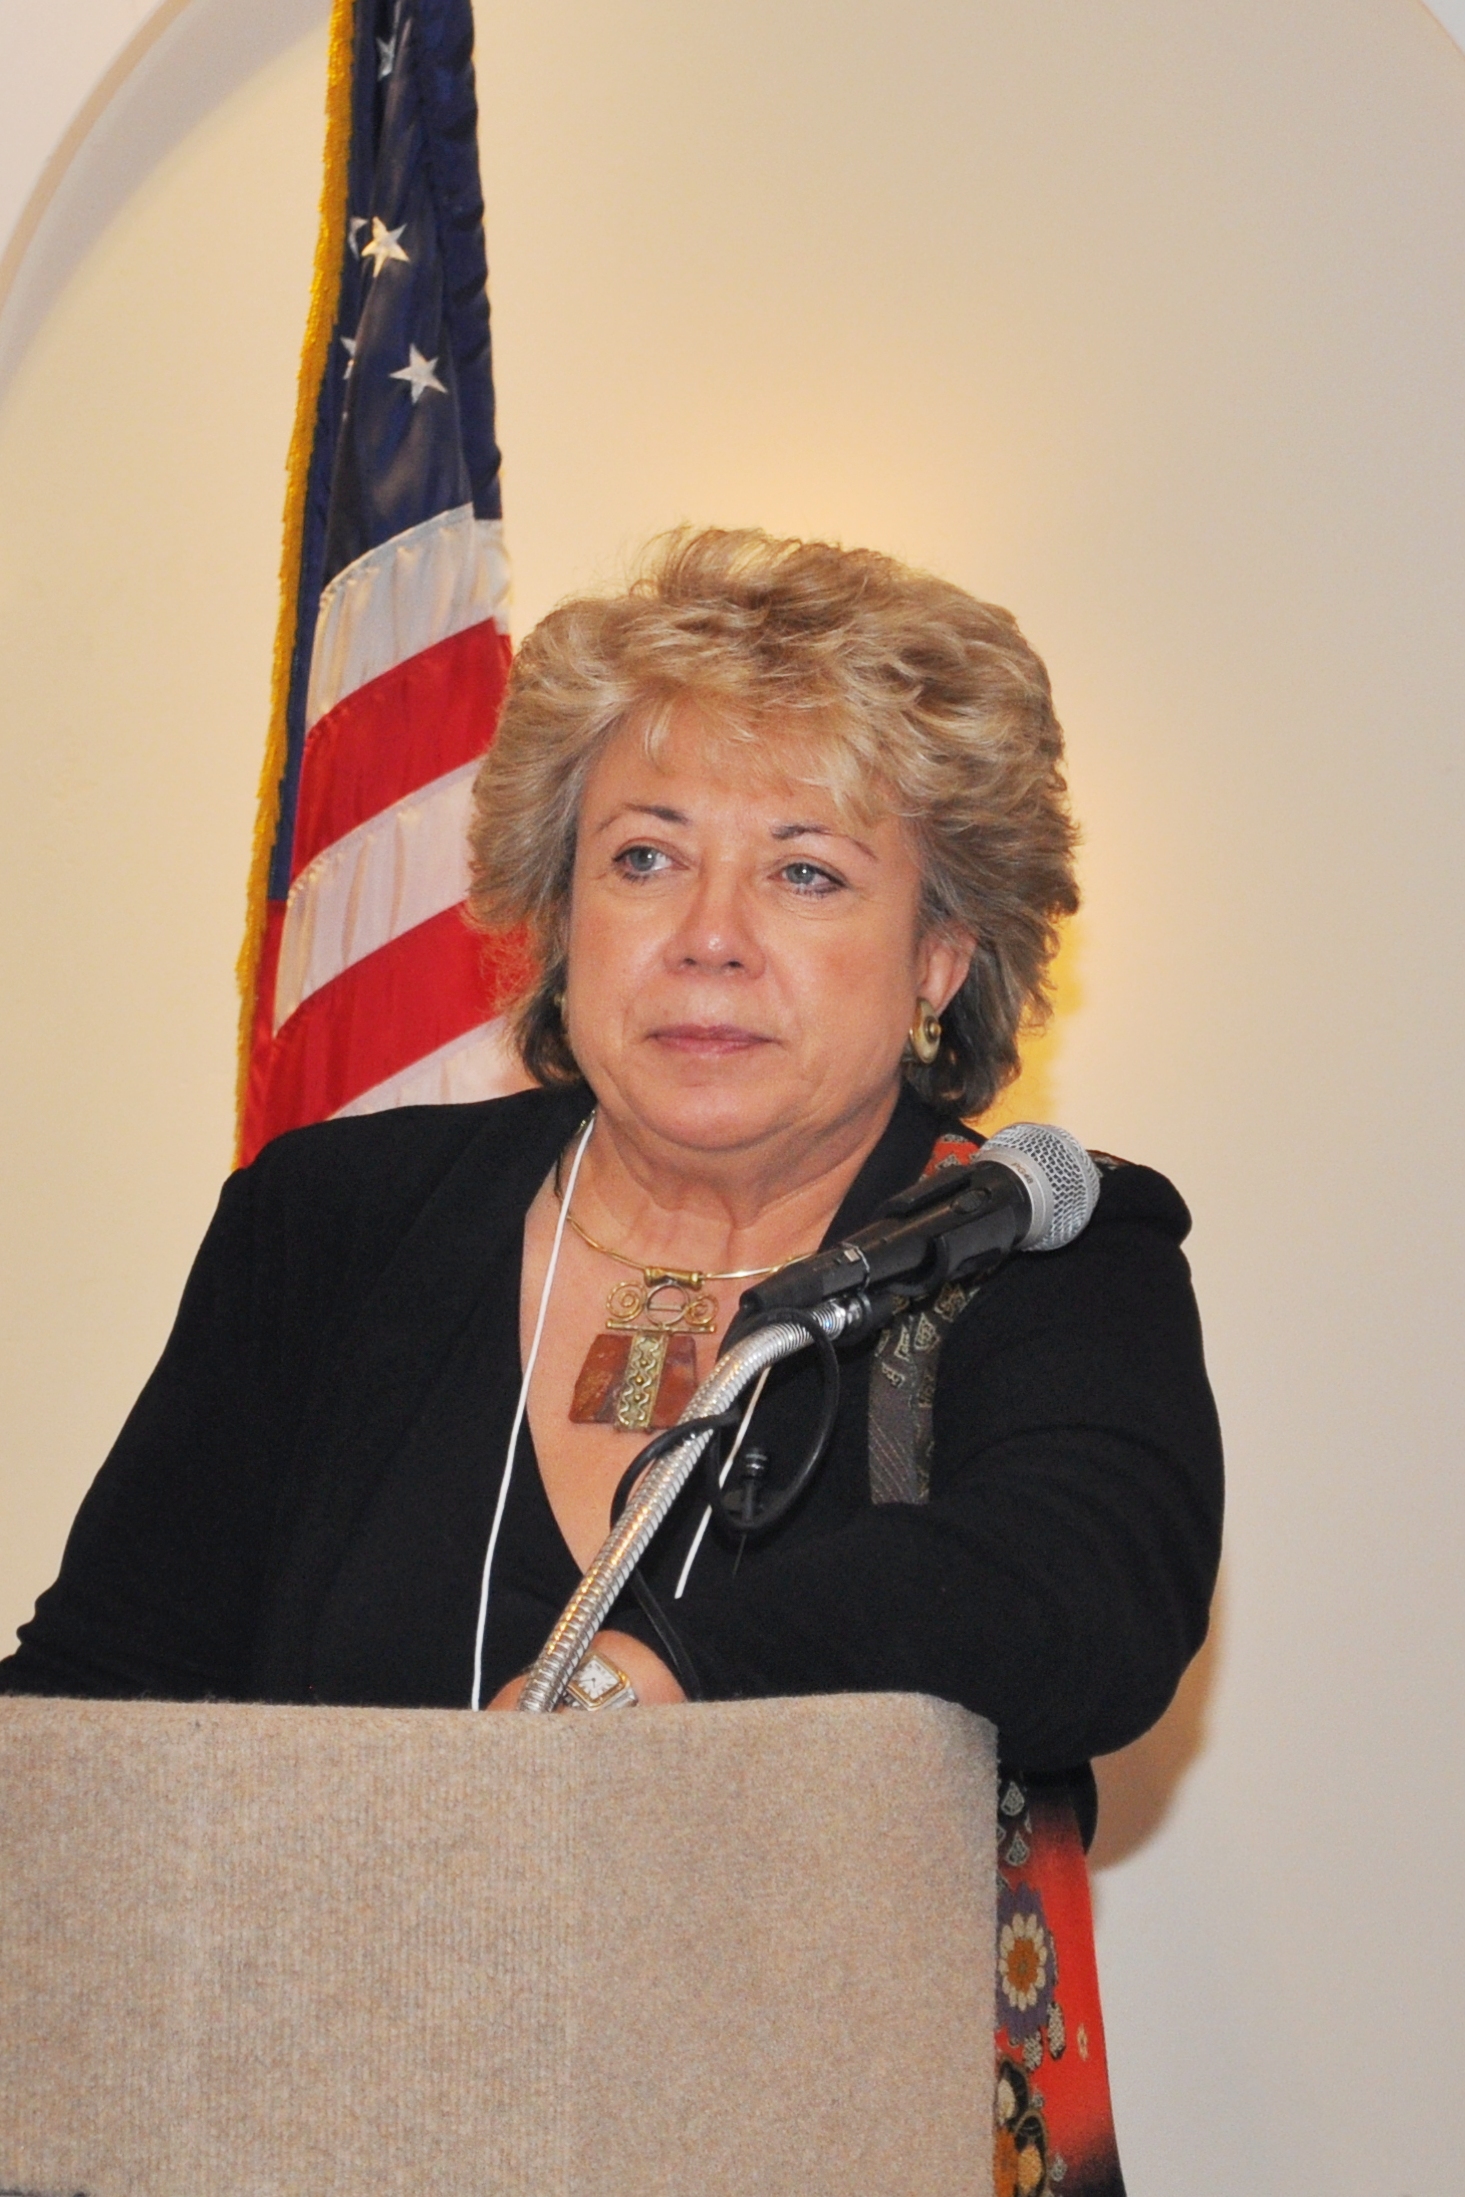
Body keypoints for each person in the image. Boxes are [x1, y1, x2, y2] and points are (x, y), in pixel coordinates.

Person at [2, 527, 1221, 2193]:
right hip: (329, 2138)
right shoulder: (333, 1225)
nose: (708, 935)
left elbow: (1082, 1605)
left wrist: (668, 1669)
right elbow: (98, 1703)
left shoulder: (1030, 1251)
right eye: (645, 858)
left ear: (939, 956)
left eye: (805, 873)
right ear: (560, 916)